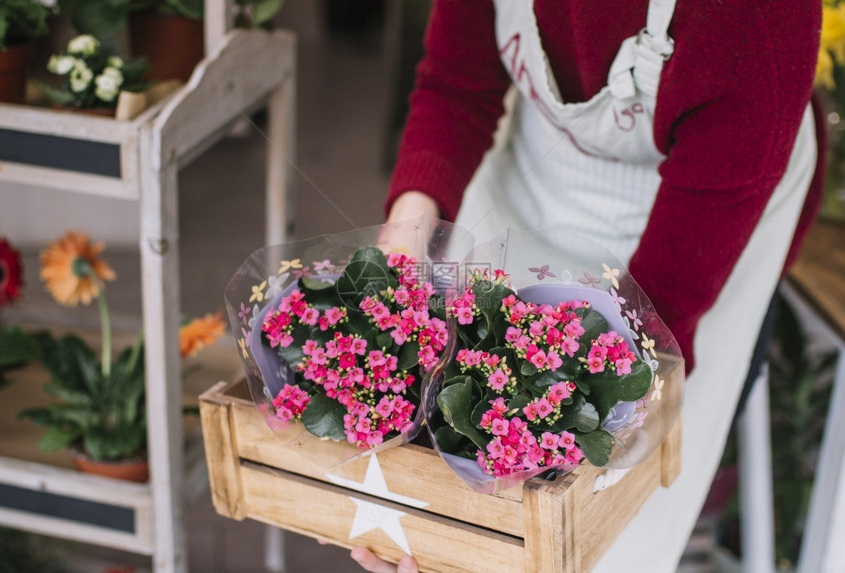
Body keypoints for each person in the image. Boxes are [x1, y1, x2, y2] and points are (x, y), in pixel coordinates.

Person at [353, 0, 825, 571]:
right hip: (539, 164)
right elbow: (457, 84)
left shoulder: (757, 18)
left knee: (605, 519)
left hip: (704, 217)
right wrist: (404, 241)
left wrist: (521, 512)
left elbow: (660, 311)